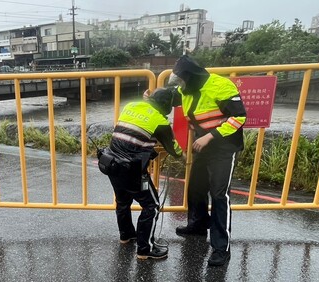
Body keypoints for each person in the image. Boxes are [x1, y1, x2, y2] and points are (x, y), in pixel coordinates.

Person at [169, 55, 247, 266]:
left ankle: (222, 247)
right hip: (202, 147)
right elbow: (172, 95)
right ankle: (198, 225)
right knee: (196, 188)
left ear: (191, 78)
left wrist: (209, 136)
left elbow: (239, 117)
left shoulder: (220, 86)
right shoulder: (187, 89)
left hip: (223, 147)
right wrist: (152, 97)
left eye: (181, 81)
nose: (180, 86)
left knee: (219, 195)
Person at [98, 88, 183, 260]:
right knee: (152, 206)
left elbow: (137, 127)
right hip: (132, 171)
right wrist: (187, 157)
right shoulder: (159, 120)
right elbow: (174, 150)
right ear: (166, 106)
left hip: (111, 164)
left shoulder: (131, 105)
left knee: (122, 202)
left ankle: (126, 235)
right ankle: (145, 249)